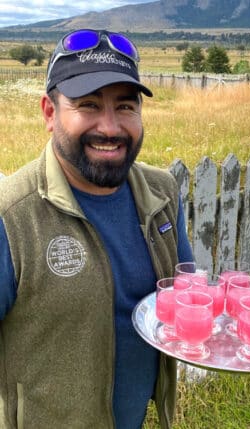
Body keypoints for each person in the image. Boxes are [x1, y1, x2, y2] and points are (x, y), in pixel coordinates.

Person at [0, 29, 193, 429]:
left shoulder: (162, 193)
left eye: (125, 106)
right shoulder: (11, 217)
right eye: (88, 105)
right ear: (50, 113)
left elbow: (184, 295)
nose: (110, 127)